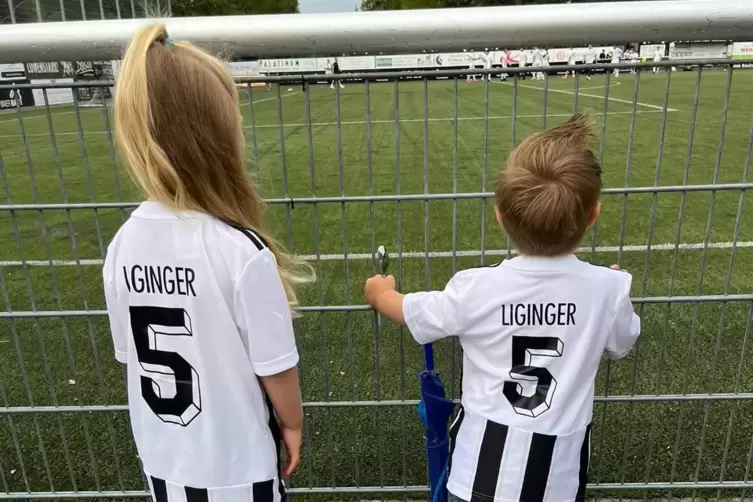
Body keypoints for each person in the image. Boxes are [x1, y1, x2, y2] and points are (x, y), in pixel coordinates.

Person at [364, 113, 640, 502]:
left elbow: (411, 312)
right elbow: (624, 342)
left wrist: (379, 292)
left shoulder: (476, 287)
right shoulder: (608, 289)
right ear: (593, 214)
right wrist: (611, 288)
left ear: (499, 216)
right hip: (557, 480)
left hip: (476, 473)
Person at [105, 24, 314, 502]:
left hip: (163, 462)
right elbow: (276, 369)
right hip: (239, 465)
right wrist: (293, 423)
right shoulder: (240, 250)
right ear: (219, 138)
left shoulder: (122, 245)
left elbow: (131, 358)